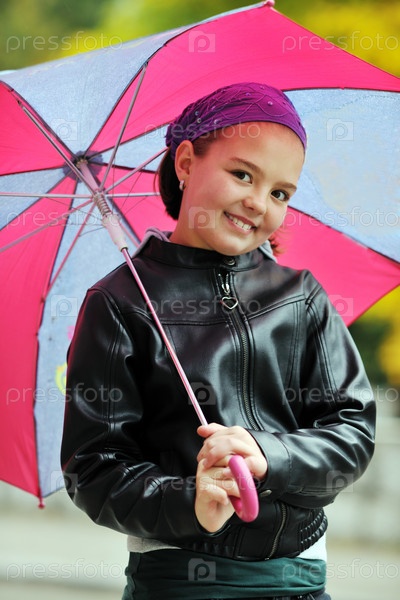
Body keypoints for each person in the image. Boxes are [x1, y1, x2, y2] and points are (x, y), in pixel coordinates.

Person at [61, 82, 376, 600]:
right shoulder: (119, 302)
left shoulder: (301, 297)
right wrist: (188, 501)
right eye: (242, 174)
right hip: (179, 583)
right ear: (186, 162)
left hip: (298, 579)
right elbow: (95, 467)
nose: (258, 202)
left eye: (280, 193)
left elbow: (352, 431)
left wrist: (269, 454)